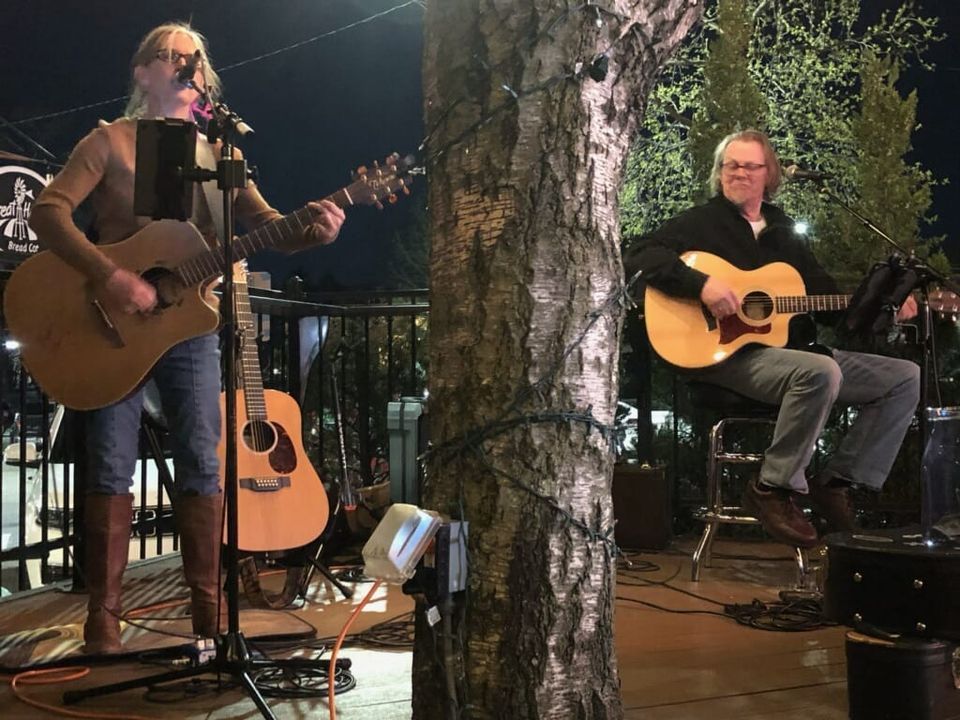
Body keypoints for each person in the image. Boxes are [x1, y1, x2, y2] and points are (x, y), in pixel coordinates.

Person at [28, 22, 346, 654]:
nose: (182, 63)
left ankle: (208, 616)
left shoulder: (222, 157)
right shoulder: (109, 142)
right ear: (142, 73)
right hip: (109, 326)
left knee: (203, 458)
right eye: (166, 55)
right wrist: (110, 275)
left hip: (190, 327)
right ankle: (104, 619)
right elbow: (47, 212)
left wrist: (316, 229)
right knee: (113, 463)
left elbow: (270, 228)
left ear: (204, 79)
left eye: (193, 57)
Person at [624, 129, 920, 548]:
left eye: (749, 165)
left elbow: (835, 308)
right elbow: (638, 254)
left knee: (904, 377)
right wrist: (700, 284)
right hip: (729, 358)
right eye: (731, 165)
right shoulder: (700, 223)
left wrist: (886, 306)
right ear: (719, 172)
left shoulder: (785, 233)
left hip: (795, 353)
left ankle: (838, 480)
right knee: (819, 372)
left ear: (770, 174)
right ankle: (772, 487)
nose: (738, 173)